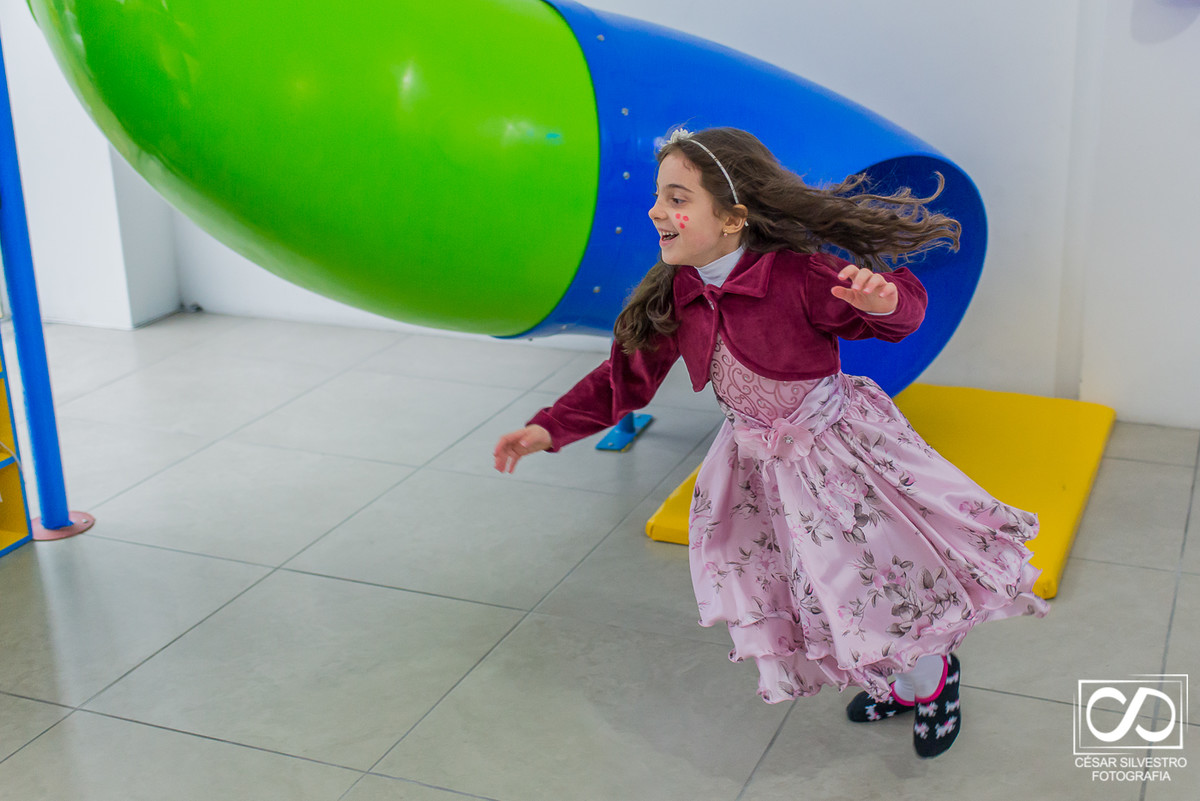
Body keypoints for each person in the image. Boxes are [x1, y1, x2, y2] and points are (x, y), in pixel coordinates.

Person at [493, 126, 1048, 759]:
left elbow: (900, 316)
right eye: (657, 196)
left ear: (732, 217)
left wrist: (887, 299)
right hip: (759, 467)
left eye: (677, 198)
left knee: (881, 581)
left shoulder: (799, 276)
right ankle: (900, 679)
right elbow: (626, 376)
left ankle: (932, 681)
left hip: (837, 455)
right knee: (819, 587)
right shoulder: (681, 289)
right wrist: (550, 427)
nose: (655, 211)